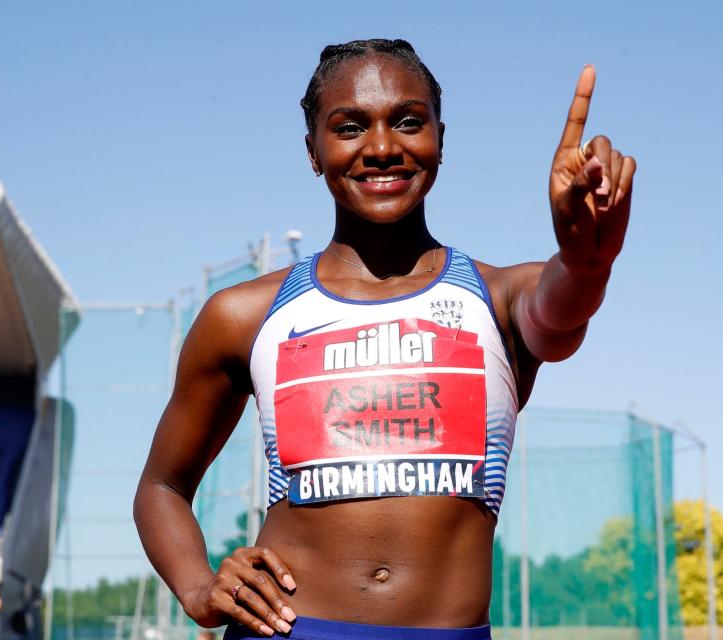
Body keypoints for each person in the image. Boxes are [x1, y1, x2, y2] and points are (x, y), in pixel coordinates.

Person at [134, 38, 635, 640]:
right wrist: (197, 584)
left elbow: (560, 312)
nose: (381, 147)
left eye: (407, 122)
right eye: (349, 127)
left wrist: (587, 261)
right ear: (313, 152)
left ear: (441, 140)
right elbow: (161, 486)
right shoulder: (243, 314)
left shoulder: (501, 298)